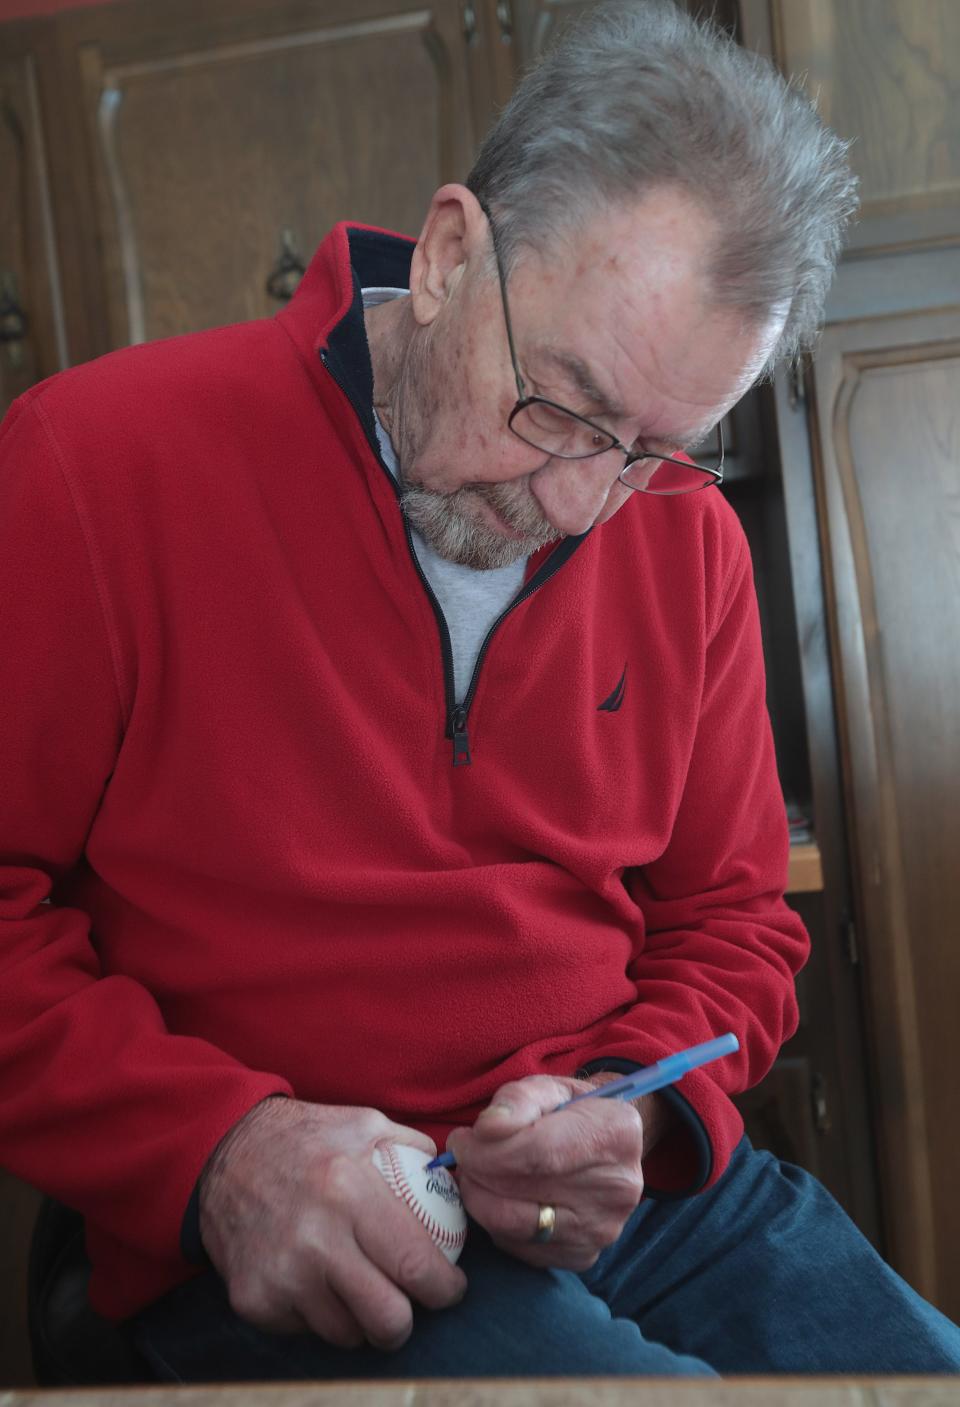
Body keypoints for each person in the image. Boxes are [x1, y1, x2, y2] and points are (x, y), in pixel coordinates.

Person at [1, 0, 958, 1381]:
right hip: (288, 1229)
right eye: (560, 403)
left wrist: (636, 1112)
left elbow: (735, 925)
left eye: (651, 448)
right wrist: (218, 1150)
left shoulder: (684, 539)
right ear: (450, 255)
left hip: (621, 1201)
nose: (579, 501)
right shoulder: (95, 466)